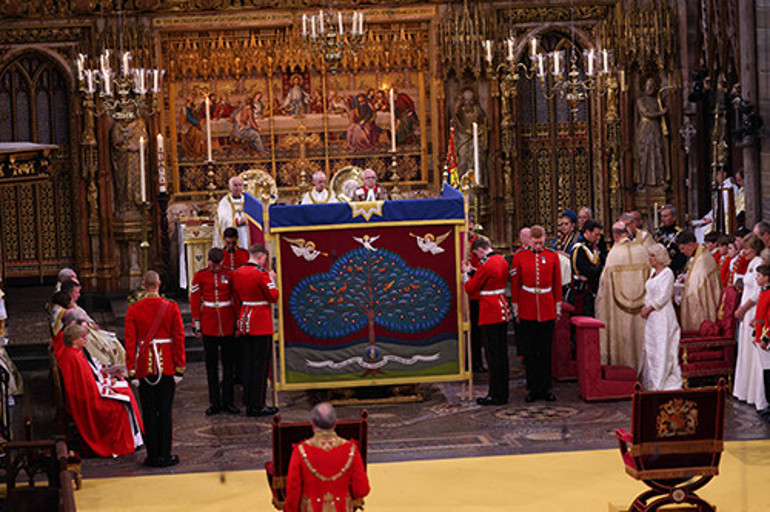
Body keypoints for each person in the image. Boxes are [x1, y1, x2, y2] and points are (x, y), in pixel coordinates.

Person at [124, 271, 186, 468]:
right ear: (159, 284)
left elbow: (130, 342)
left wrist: (131, 370)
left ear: (144, 285)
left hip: (144, 366)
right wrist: (180, 367)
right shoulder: (171, 307)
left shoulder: (133, 309)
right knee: (166, 411)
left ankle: (152, 456)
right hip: (167, 364)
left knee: (149, 412)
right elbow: (179, 338)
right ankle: (165, 455)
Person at [58, 323, 143, 458]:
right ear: (74, 340)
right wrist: (108, 384)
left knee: (123, 392)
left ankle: (136, 436)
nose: (86, 340)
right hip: (89, 401)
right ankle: (125, 442)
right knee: (121, 405)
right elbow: (87, 386)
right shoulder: (74, 358)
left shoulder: (74, 354)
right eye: (83, 338)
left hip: (90, 394)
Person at [284, 403, 370, 512]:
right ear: (335, 424)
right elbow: (361, 490)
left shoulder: (300, 451)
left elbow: (293, 490)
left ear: (313, 424)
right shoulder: (351, 449)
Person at [510, 225, 562, 403]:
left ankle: (546, 387)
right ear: (530, 240)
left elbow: (557, 283)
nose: (539, 246)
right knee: (530, 352)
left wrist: (557, 307)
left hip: (546, 308)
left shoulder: (552, 256)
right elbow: (515, 284)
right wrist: (516, 308)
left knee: (546, 351)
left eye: (541, 243)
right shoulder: (519, 257)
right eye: (536, 243)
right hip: (527, 307)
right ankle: (532, 388)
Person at [463, 236, 511, 405]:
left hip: (490, 311)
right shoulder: (501, 261)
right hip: (502, 308)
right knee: (502, 354)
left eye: (476, 254)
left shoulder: (486, 264)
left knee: (492, 356)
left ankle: (496, 394)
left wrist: (465, 275)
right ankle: (503, 392)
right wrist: (473, 272)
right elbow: (489, 278)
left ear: (481, 250)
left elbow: (470, 288)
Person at [232, 244, 280, 417]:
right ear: (260, 257)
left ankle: (248, 399)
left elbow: (236, 297)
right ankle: (257, 404)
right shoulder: (261, 274)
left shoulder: (237, 273)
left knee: (248, 364)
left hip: (245, 319)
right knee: (260, 366)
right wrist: (272, 278)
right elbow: (274, 296)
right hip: (260, 322)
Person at [190, 248, 239, 416]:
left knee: (228, 365)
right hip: (209, 323)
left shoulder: (230, 274)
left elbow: (236, 298)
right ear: (209, 261)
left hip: (227, 322)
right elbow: (195, 300)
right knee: (211, 366)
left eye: (219, 265)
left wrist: (238, 321)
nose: (217, 268)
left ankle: (229, 401)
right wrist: (197, 323)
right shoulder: (200, 275)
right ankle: (214, 402)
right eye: (214, 264)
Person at [596, 221, 650, 369]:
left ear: (615, 235)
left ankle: (621, 370)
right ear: (627, 233)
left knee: (622, 337)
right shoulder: (642, 251)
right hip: (641, 307)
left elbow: (604, 286)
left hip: (617, 310)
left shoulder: (614, 254)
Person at [51, 279, 125, 366]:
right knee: (108, 348)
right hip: (87, 337)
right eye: (77, 292)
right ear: (70, 293)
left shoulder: (69, 306)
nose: (79, 295)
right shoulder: (68, 313)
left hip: (88, 332)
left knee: (112, 342)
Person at [639, 243, 682, 390]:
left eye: (653, 256)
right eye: (650, 255)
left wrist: (650, 308)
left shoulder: (667, 273)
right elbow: (649, 291)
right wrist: (644, 306)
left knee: (662, 346)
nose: (650, 259)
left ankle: (660, 381)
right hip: (651, 317)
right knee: (651, 346)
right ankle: (651, 380)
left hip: (662, 315)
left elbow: (664, 296)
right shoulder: (652, 272)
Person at [733, 233, 767, 411]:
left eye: (747, 248)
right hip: (746, 311)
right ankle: (744, 391)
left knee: (753, 353)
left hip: (752, 310)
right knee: (745, 351)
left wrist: (743, 309)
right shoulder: (751, 264)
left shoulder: (759, 263)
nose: (744, 251)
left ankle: (756, 394)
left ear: (755, 248)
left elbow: (757, 293)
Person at [676, 230, 722, 331]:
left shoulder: (703, 260)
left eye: (683, 248)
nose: (682, 252)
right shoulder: (697, 255)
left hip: (701, 307)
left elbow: (697, 287)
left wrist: (683, 296)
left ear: (691, 245)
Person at [635, 77, 667, 188]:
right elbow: (646, 113)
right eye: (648, 85)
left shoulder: (656, 101)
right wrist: (660, 113)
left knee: (657, 152)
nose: (650, 88)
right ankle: (643, 181)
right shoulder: (641, 100)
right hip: (645, 128)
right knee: (645, 154)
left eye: (652, 85)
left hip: (655, 128)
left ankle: (660, 179)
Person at [693, 168, 740, 242]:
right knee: (698, 228)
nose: (716, 178)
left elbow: (725, 208)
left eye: (717, 174)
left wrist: (713, 217)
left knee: (702, 231)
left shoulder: (727, 187)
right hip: (718, 216)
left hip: (724, 219)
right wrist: (707, 216)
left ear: (724, 174)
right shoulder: (723, 186)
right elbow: (716, 206)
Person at [571, 219, 604, 317]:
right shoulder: (579, 249)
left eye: (599, 235)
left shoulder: (592, 248)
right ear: (587, 232)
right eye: (596, 235)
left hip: (590, 291)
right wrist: (602, 269)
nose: (598, 238)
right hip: (580, 293)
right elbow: (588, 271)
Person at [752, 264, 770, 422]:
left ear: (767, 278)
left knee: (769, 372)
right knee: (765, 371)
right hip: (760, 334)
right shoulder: (763, 292)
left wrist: (766, 338)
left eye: (759, 276)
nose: (756, 278)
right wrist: (754, 334)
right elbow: (759, 316)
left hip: (766, 338)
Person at [466, 219, 485, 373]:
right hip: (463, 293)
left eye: (471, 229)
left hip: (476, 294)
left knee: (477, 332)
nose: (469, 232)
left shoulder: (478, 243)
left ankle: (477, 361)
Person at [213, 176, 248, 249]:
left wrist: (247, 220)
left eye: (240, 185)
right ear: (230, 187)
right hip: (234, 232)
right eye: (235, 185)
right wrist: (236, 221)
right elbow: (223, 218)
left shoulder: (247, 200)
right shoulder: (225, 202)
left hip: (245, 232)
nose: (238, 187)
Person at [654, 204, 687, 276]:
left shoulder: (679, 233)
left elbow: (682, 256)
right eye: (661, 216)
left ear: (674, 218)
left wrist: (668, 267)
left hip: (673, 270)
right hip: (658, 270)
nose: (663, 219)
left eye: (666, 216)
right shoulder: (659, 232)